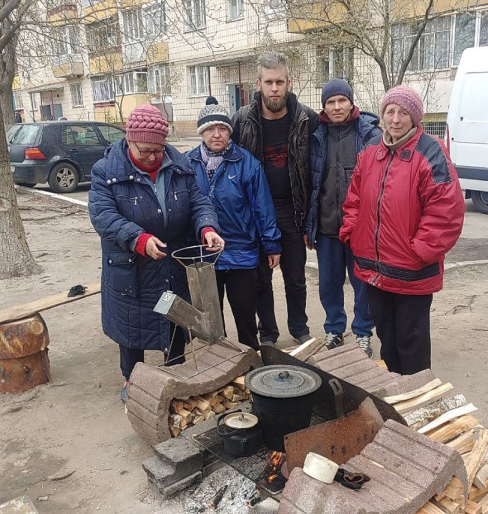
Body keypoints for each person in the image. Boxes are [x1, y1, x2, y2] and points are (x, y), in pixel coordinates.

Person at [88, 105, 225, 401]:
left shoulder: (180, 167)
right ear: (129, 142)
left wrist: (207, 228)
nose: (152, 157)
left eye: (157, 150)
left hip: (171, 258)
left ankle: (175, 371)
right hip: (131, 262)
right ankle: (132, 379)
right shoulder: (106, 172)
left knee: (173, 314)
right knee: (131, 323)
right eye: (145, 151)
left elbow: (199, 203)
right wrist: (138, 238)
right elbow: (103, 216)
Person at [340, 86, 464, 375]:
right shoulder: (371, 152)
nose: (395, 119)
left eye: (403, 113)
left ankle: (420, 398)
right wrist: (352, 232)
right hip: (374, 269)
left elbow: (446, 210)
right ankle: (397, 393)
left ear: (415, 118)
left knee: (412, 340)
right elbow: (354, 199)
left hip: (412, 270)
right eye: (390, 112)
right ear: (382, 115)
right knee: (387, 337)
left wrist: (420, 250)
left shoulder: (430, 151)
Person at [232, 51, 318, 347]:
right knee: (259, 280)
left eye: (280, 81)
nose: (274, 88)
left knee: (296, 279)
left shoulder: (307, 119)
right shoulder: (241, 121)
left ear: (288, 83)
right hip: (255, 216)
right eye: (268, 82)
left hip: (293, 213)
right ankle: (267, 333)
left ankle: (299, 328)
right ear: (259, 84)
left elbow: (337, 136)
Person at [186, 98, 282, 350]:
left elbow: (262, 206)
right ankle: (219, 363)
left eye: (222, 129)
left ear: (230, 131)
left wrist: (271, 244)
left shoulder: (247, 163)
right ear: (201, 132)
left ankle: (250, 363)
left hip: (241, 252)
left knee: (245, 318)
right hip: (204, 255)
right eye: (209, 129)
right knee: (210, 319)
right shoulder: (186, 164)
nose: (216, 134)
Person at [305, 79, 382, 357]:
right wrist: (308, 224)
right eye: (330, 102)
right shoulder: (315, 136)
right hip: (327, 227)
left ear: (351, 102)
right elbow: (309, 183)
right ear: (324, 106)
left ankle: (362, 332)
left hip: (361, 229)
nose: (337, 107)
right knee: (329, 283)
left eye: (342, 101)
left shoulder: (370, 134)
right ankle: (334, 329)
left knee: (363, 284)